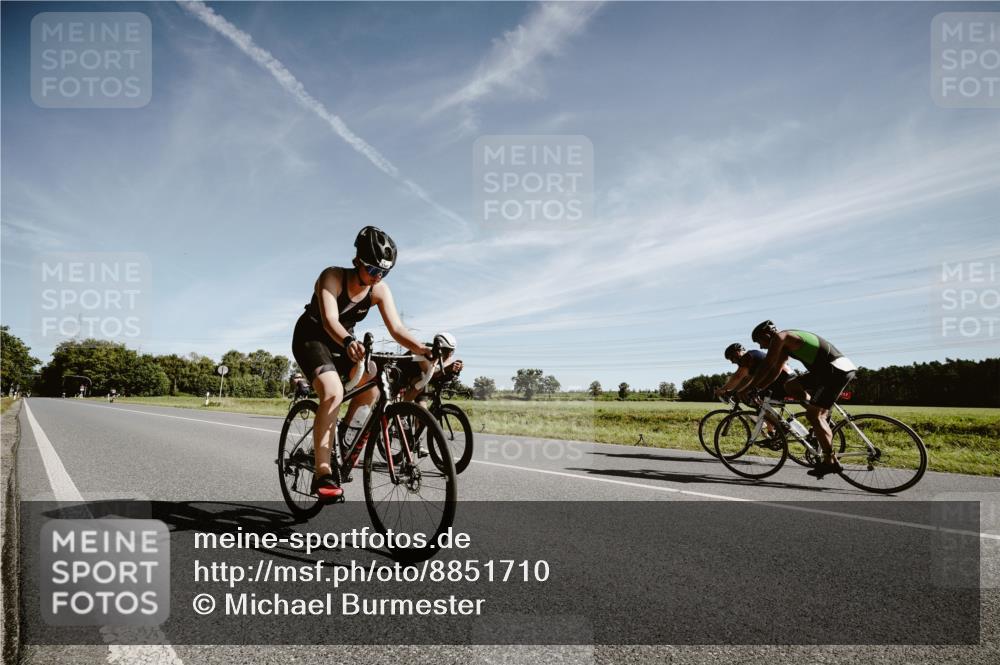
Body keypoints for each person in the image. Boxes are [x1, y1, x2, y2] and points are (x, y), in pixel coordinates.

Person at [291, 226, 430, 501]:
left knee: (372, 389)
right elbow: (331, 320)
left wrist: (423, 349)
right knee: (333, 392)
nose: (377, 277)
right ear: (357, 261)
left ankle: (340, 441)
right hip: (313, 337)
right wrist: (347, 342)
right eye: (373, 270)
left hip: (345, 343)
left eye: (384, 273)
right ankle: (323, 471)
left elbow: (397, 329)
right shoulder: (332, 276)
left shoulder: (379, 289)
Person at [745, 320, 858, 478]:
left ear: (766, 335)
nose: (761, 347)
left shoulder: (781, 337)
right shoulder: (785, 343)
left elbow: (768, 364)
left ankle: (830, 461)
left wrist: (751, 386)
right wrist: (759, 387)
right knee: (790, 386)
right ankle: (821, 415)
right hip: (827, 371)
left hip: (834, 371)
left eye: (760, 342)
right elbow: (776, 370)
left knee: (813, 416)